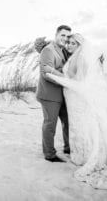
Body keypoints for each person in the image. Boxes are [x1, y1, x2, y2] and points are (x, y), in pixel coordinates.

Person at [46, 33, 107, 189]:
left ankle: (84, 156)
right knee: (78, 126)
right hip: (72, 99)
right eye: (68, 43)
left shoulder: (81, 58)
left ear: (79, 45)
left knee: (82, 126)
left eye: (72, 43)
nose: (69, 45)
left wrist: (55, 76)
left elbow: (79, 83)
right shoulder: (73, 57)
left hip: (77, 98)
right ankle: (79, 155)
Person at [36, 25, 71, 162]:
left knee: (67, 122)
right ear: (56, 35)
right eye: (62, 35)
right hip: (49, 95)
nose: (65, 38)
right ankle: (49, 154)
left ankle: (68, 148)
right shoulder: (48, 50)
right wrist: (65, 79)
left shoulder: (62, 50)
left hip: (62, 95)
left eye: (67, 36)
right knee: (50, 124)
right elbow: (46, 73)